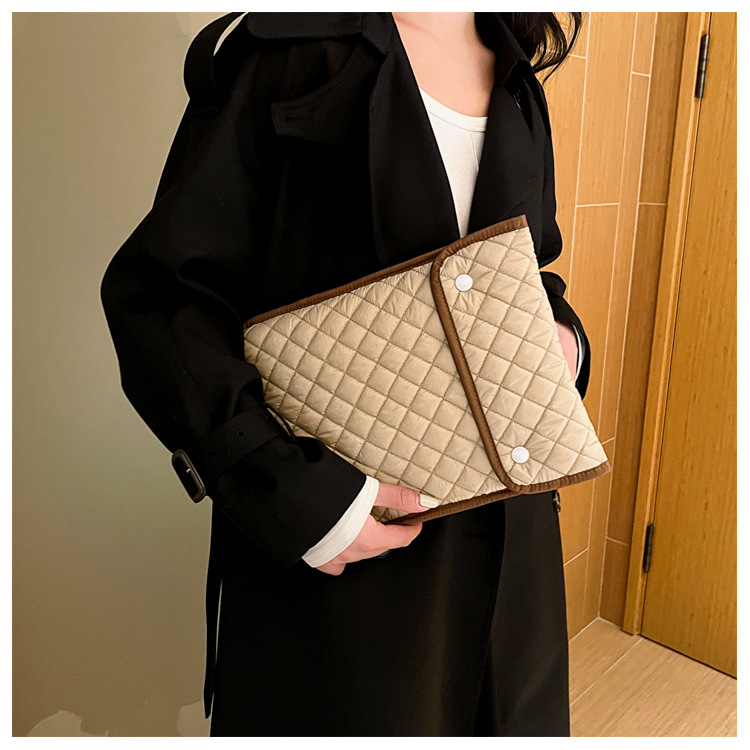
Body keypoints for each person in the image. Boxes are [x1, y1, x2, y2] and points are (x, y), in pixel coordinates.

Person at [101, 11, 588, 736]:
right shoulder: (284, 49)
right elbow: (164, 299)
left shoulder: (517, 72)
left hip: (517, 557)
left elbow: (529, 268)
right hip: (347, 553)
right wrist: (296, 496)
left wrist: (567, 346)